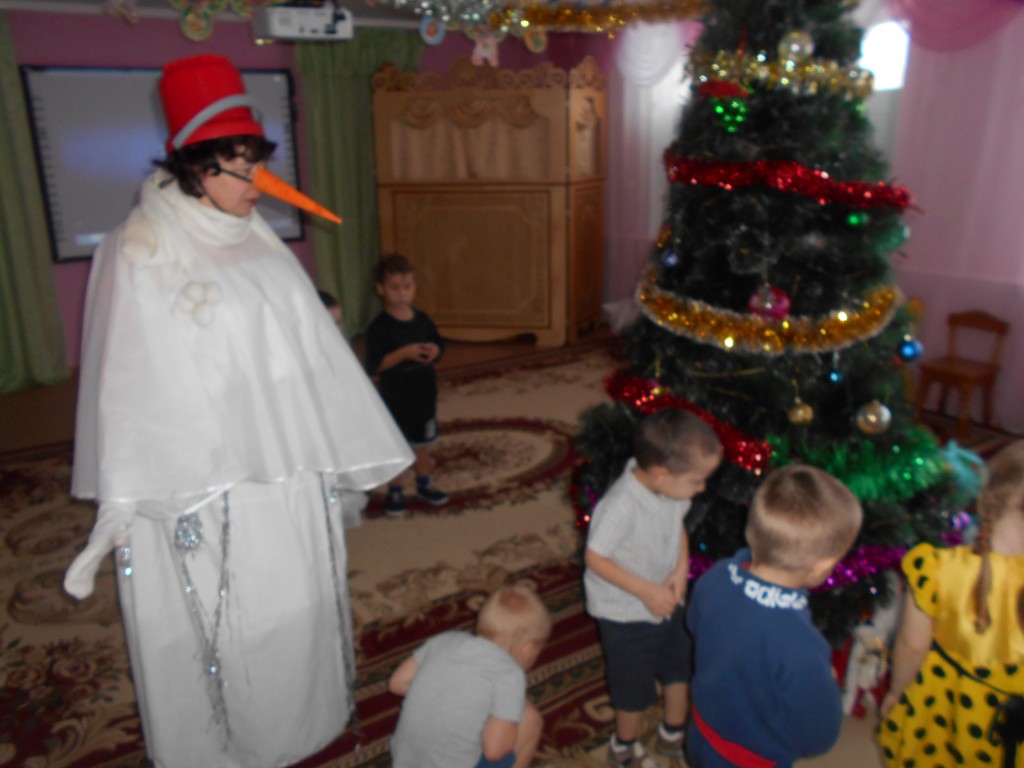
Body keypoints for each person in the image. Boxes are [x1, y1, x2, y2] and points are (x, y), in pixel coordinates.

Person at [62, 54, 413, 768]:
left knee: (292, 605)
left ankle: (303, 724)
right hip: (203, 483)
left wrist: (321, 436)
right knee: (228, 624)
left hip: (284, 469)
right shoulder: (137, 251)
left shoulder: (256, 236)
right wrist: (133, 491)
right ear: (195, 165)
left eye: (259, 163)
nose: (257, 183)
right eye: (238, 166)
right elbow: (126, 382)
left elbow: (302, 344)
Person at [685, 464, 863, 768]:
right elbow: (818, 736)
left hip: (701, 734)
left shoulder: (716, 576)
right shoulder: (803, 645)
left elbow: (694, 624)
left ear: (751, 529)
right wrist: (829, 685)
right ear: (821, 567)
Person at [584, 409, 723, 768]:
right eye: (697, 481)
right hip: (625, 613)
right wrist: (645, 591)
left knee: (681, 663)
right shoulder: (620, 507)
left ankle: (672, 732)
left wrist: (681, 567)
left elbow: (677, 527)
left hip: (666, 598)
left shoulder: (671, 491)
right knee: (632, 685)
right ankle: (623, 746)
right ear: (661, 474)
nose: (701, 488)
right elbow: (595, 557)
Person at [878, 440, 1024, 768]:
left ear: (987, 496)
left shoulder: (936, 568)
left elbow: (912, 645)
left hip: (945, 709)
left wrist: (898, 692)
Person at [388, 585, 552, 768]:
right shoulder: (510, 675)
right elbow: (495, 752)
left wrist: (449, 698)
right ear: (528, 649)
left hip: (404, 762)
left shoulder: (446, 640)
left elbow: (397, 683)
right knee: (531, 720)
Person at [364, 253, 448, 517]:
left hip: (424, 394)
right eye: (394, 287)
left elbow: (439, 344)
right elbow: (375, 365)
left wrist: (435, 350)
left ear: (414, 287)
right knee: (397, 446)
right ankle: (395, 489)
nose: (402, 293)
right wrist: (404, 353)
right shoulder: (378, 328)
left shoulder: (422, 320)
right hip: (395, 397)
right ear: (381, 289)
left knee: (423, 445)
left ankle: (424, 484)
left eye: (407, 286)